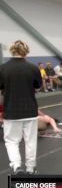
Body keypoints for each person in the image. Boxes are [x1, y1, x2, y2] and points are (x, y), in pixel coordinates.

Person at [0, 40, 42, 174]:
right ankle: (31, 168)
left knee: (11, 141)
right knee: (30, 141)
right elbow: (38, 86)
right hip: (30, 110)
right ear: (25, 51)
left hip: (11, 111)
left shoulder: (3, 68)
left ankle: (16, 166)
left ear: (12, 50)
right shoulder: (33, 68)